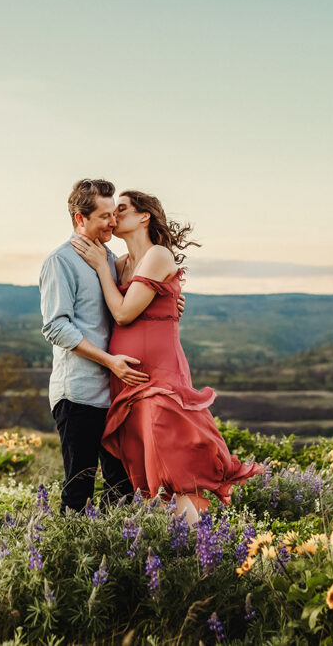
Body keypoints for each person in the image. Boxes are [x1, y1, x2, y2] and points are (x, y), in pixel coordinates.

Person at [71, 189, 263, 523]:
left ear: (144, 216)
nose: (114, 217)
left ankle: (196, 547)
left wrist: (101, 267)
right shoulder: (120, 263)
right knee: (148, 469)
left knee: (175, 459)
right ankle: (172, 547)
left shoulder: (156, 255)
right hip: (127, 382)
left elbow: (123, 315)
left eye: (122, 209)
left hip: (160, 376)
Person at [40, 179, 166, 514]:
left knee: (121, 490)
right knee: (78, 490)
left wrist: (168, 306)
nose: (112, 222)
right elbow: (55, 326)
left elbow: (127, 305)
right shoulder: (60, 261)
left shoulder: (108, 259)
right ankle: (68, 562)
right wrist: (109, 361)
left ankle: (112, 561)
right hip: (78, 394)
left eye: (114, 214)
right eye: (103, 216)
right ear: (80, 219)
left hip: (115, 395)